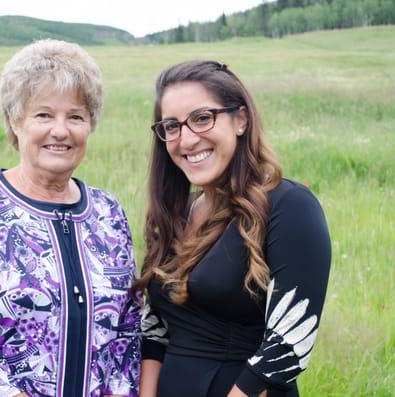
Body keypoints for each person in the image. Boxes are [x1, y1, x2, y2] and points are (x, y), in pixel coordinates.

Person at [0, 39, 141, 397]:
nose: (61, 130)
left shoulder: (108, 213)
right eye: (43, 115)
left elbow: (127, 333)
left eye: (75, 116)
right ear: (15, 120)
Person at [135, 60, 331, 397]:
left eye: (201, 118)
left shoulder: (289, 206)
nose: (186, 139)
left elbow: (286, 347)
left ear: (240, 119)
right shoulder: (177, 213)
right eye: (172, 126)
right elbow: (155, 333)